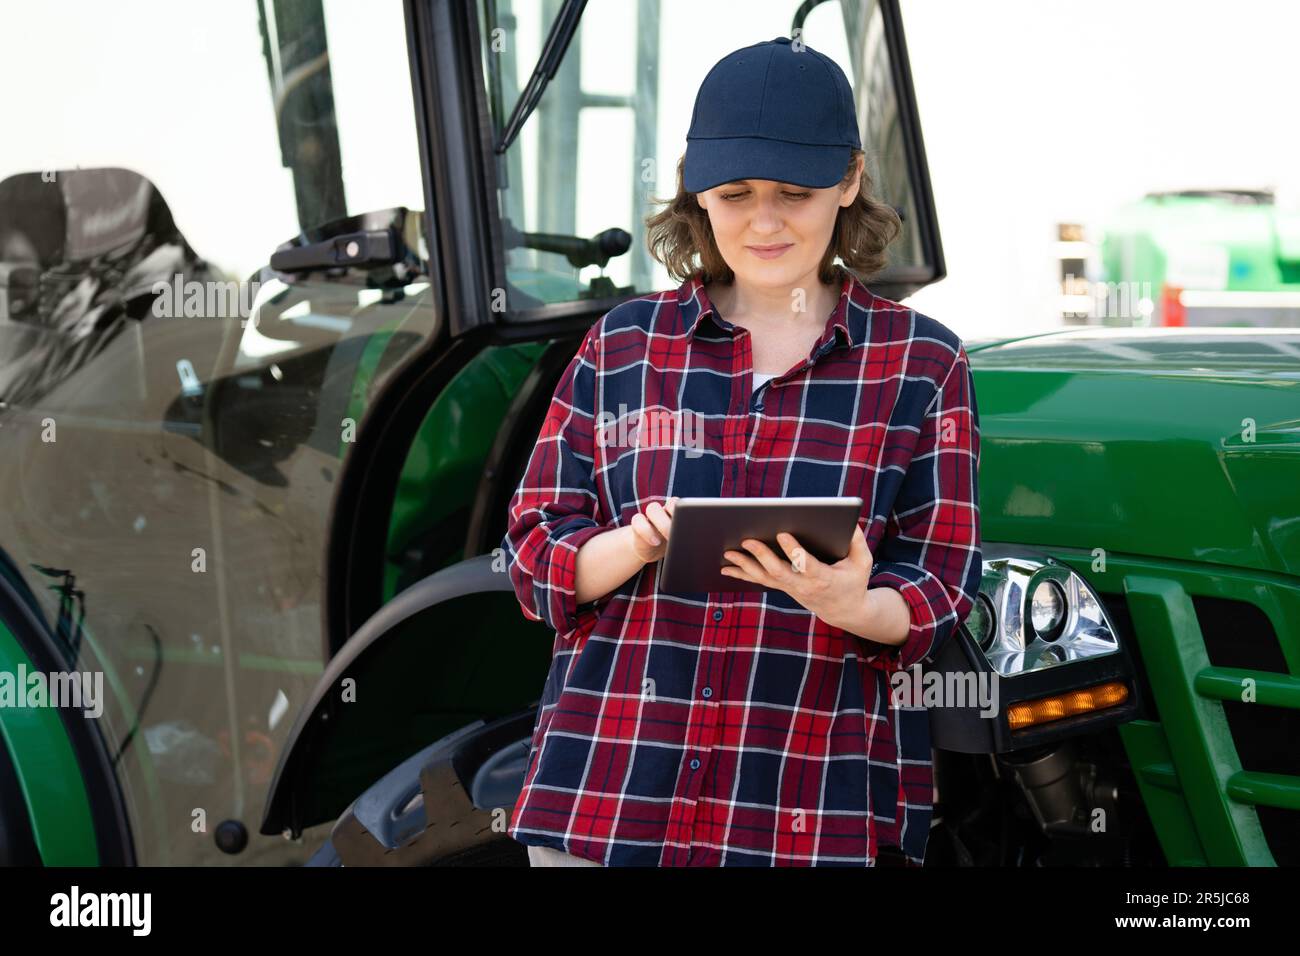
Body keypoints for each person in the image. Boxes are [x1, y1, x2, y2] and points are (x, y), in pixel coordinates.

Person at [503, 35, 982, 867]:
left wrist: (853, 605)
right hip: (608, 805)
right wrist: (641, 541)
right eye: (735, 193)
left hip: (807, 809)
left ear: (851, 182)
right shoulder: (620, 348)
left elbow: (941, 588)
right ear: (695, 186)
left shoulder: (922, 365)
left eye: (796, 192)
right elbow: (531, 558)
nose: (764, 221)